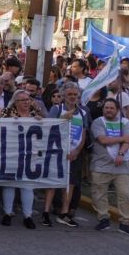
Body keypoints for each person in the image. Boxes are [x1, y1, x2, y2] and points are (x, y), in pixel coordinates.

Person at [90, 98, 129, 236]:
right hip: (101, 165)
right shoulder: (98, 122)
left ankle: (125, 223)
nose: (108, 110)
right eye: (106, 108)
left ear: (117, 110)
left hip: (121, 166)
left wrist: (121, 153)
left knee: (125, 195)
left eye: (111, 108)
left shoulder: (125, 122)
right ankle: (103, 218)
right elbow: (103, 140)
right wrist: (122, 139)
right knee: (99, 195)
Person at [0, 90, 43, 229]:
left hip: (29, 154)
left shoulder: (35, 115)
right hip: (11, 152)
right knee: (9, 183)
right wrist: (11, 123)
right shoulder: (6, 113)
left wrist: (42, 122)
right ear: (15, 102)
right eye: (22, 100)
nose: (26, 102)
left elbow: (43, 131)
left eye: (28, 99)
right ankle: (7, 213)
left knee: (27, 185)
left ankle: (27, 216)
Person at [44, 82, 87, 228]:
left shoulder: (83, 112)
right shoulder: (56, 109)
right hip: (57, 152)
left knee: (70, 184)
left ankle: (64, 213)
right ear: (63, 96)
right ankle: (46, 212)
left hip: (73, 154)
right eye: (69, 94)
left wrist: (76, 152)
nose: (72, 97)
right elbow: (48, 128)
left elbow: (84, 134)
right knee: (53, 182)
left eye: (75, 95)